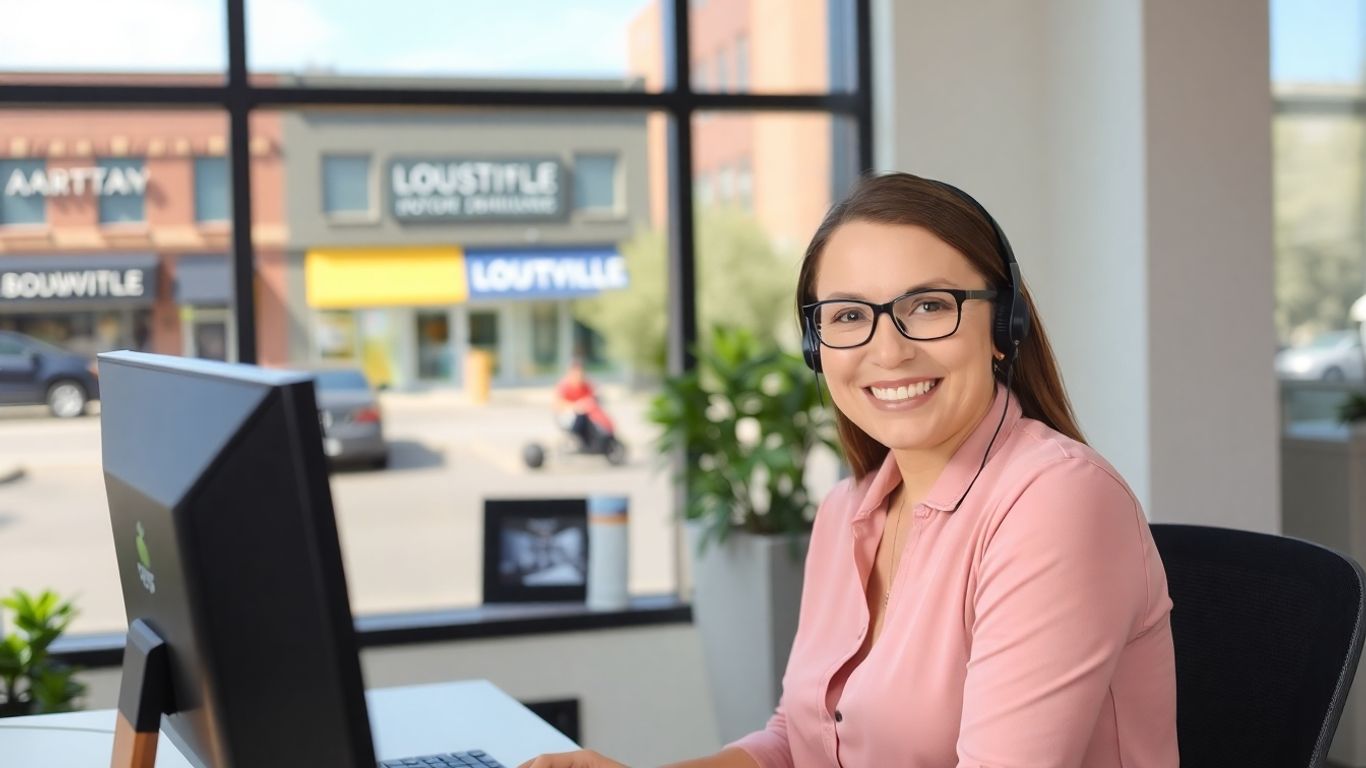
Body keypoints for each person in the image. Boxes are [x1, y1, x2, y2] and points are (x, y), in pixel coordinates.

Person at [520, 173, 1177, 767]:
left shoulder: (1056, 502)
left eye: (929, 306)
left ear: (1004, 325)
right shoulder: (848, 511)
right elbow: (797, 742)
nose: (887, 351)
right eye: (849, 317)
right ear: (817, 345)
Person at [554, 359, 614, 453]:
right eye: (576, 373)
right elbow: (558, 404)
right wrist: (576, 406)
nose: (579, 376)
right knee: (580, 416)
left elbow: (594, 396)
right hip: (570, 418)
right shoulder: (564, 386)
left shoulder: (586, 385)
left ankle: (596, 442)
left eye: (581, 373)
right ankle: (582, 442)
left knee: (594, 419)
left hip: (586, 416)